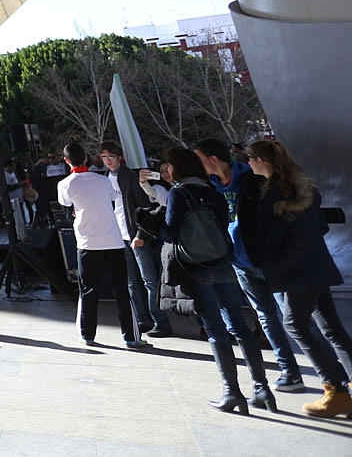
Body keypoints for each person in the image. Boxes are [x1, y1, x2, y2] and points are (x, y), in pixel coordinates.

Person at [139, 147, 271, 413]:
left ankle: (232, 393)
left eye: (170, 165)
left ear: (178, 168)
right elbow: (222, 224)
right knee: (240, 328)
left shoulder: (178, 193)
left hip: (196, 268)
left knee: (215, 330)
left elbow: (170, 234)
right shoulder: (212, 191)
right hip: (222, 264)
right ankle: (261, 389)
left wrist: (148, 219)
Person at [238, 140, 352, 418]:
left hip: (301, 273)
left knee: (295, 324)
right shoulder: (297, 187)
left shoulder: (279, 193)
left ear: (262, 160)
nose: (247, 163)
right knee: (332, 330)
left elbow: (302, 238)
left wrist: (276, 266)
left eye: (250, 158)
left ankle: (335, 392)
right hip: (313, 269)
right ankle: (340, 394)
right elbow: (320, 228)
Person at [194, 138, 306, 392]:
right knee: (267, 318)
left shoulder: (252, 177)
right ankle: (290, 370)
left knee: (296, 319)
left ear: (213, 159)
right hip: (240, 262)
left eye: (199, 159)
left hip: (267, 260)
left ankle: (334, 376)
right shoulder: (210, 186)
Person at [57, 142, 146, 349]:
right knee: (121, 289)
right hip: (112, 240)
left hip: (87, 243)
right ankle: (131, 337)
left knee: (88, 290)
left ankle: (87, 334)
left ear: (66, 160)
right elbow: (112, 202)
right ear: (86, 158)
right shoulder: (102, 180)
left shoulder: (65, 184)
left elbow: (66, 210)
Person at [100, 142, 171, 336]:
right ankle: (143, 319)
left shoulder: (130, 176)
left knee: (149, 280)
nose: (108, 161)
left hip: (136, 235)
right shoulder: (106, 178)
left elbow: (145, 208)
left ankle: (161, 321)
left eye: (111, 157)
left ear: (119, 157)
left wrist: (141, 235)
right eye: (104, 157)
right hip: (119, 235)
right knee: (131, 281)